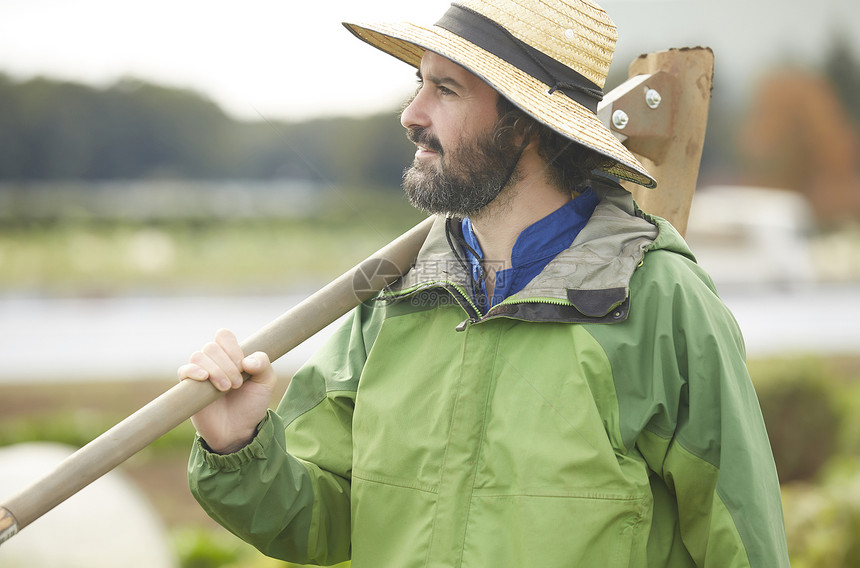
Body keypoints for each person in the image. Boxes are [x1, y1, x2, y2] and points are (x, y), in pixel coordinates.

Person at [179, 0, 790, 566]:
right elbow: (326, 521)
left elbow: (743, 543)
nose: (411, 115)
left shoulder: (658, 300)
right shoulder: (394, 299)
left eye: (445, 89)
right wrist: (242, 450)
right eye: (420, 82)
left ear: (526, 124)